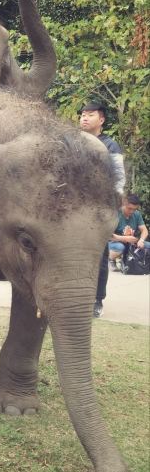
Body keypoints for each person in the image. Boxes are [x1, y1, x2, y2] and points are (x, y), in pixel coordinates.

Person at [80, 102, 125, 317]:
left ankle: (97, 299)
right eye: (83, 114)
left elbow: (118, 180)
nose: (84, 118)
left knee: (99, 255)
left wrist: (109, 210)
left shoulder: (111, 145)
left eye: (90, 115)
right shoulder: (73, 142)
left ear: (102, 120)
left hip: (98, 209)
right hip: (73, 209)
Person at [108, 194, 150, 269]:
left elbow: (144, 230)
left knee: (148, 245)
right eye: (129, 208)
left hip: (130, 242)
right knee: (119, 247)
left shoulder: (137, 214)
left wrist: (141, 240)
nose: (132, 211)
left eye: (135, 209)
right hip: (114, 242)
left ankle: (128, 262)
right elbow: (109, 235)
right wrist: (125, 238)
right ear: (123, 204)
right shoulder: (114, 214)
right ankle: (111, 260)